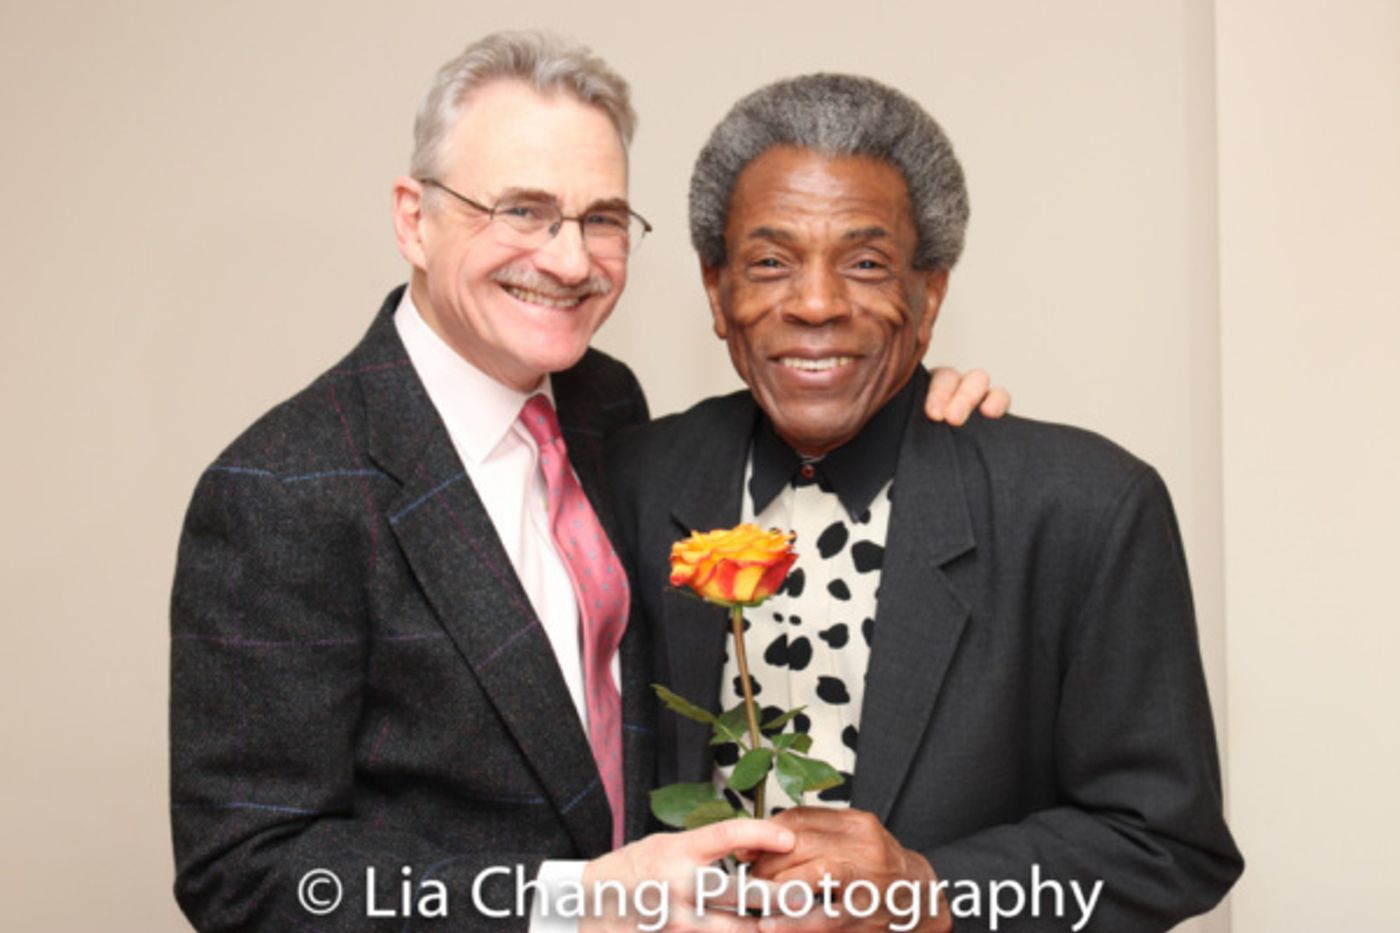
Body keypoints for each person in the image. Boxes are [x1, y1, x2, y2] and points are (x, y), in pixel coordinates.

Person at [169, 33, 1002, 932]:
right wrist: (572, 906)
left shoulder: (605, 405)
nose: (570, 261)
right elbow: (245, 874)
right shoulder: (284, 488)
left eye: (601, 217)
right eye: (522, 210)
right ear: (414, 217)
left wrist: (917, 414)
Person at [609, 74, 1243, 933]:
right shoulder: (626, 483)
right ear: (718, 291)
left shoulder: (1087, 507)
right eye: (770, 262)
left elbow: (1169, 845)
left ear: (929, 295)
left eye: (866, 263)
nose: (817, 303)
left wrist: (930, 889)